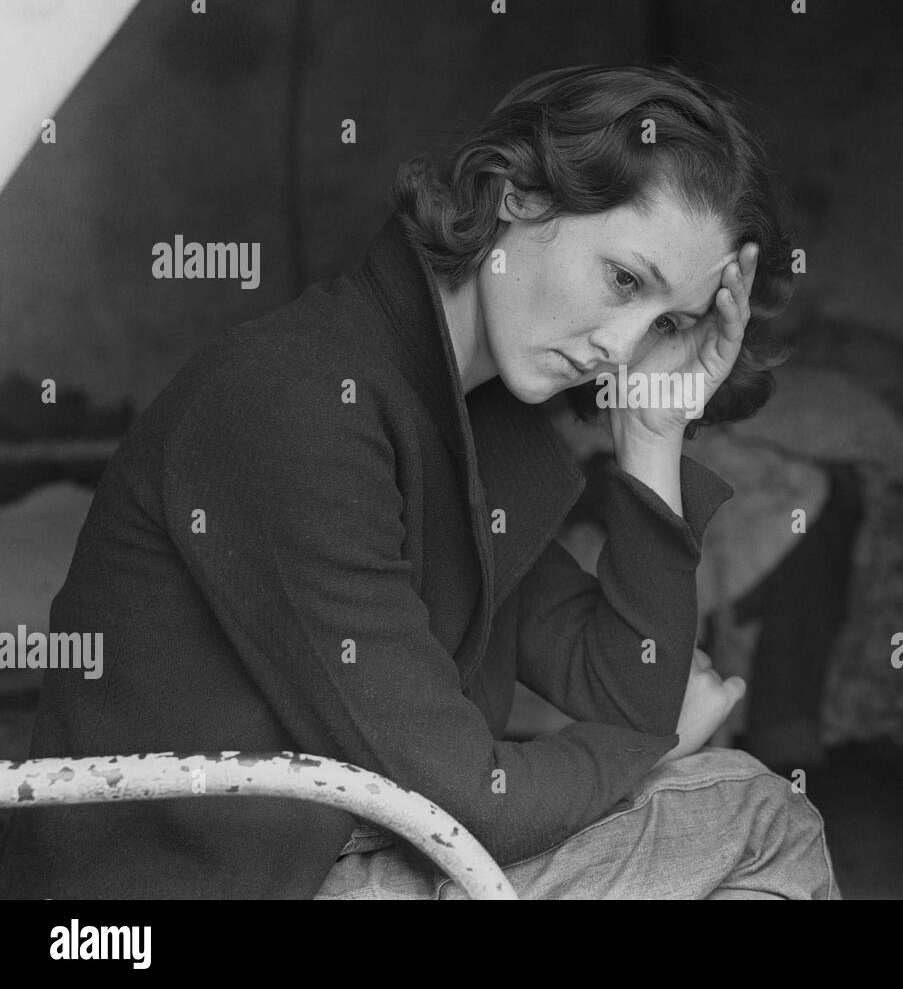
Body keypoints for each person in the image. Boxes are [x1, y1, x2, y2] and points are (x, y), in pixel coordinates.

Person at [0, 63, 840, 899]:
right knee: (760, 820)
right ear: (520, 195)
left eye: (667, 323)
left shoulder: (473, 417)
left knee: (740, 804)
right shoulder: (296, 401)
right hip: (203, 885)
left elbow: (620, 683)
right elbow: (472, 799)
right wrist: (651, 748)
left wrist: (653, 433)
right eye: (624, 280)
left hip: (337, 847)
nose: (622, 348)